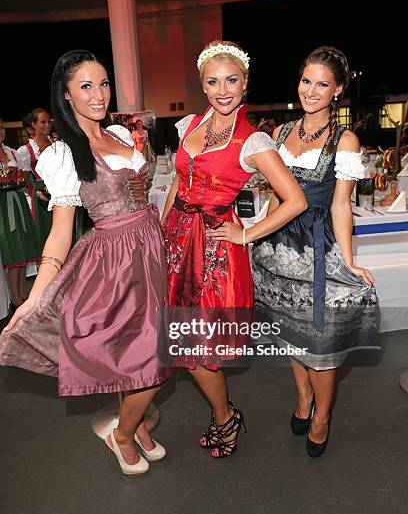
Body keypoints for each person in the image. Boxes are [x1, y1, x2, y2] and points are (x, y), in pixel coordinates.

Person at [0, 50, 170, 475]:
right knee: (150, 357)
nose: (98, 95)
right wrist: (33, 297)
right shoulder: (62, 153)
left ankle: (136, 424)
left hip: (152, 248)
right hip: (115, 261)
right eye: (86, 86)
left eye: (104, 84)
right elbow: (60, 233)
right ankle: (124, 433)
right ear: (67, 95)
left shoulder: (121, 133)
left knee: (150, 350)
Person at [161, 40, 307, 458]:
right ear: (202, 85)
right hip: (176, 241)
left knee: (199, 350)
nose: (223, 90)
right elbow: (176, 183)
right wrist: (159, 230)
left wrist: (248, 234)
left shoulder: (253, 142)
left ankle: (224, 417)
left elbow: (294, 200)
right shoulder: (188, 125)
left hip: (213, 249)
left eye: (231, 80)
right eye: (213, 82)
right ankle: (225, 414)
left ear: (245, 83)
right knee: (179, 339)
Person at [251, 46, 377, 458]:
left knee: (320, 345)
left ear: (337, 90)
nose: (311, 90)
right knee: (291, 334)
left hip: (318, 249)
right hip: (278, 250)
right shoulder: (282, 134)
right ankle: (302, 399)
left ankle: (322, 416)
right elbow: (275, 198)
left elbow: (342, 205)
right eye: (307, 81)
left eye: (322, 84)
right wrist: (256, 237)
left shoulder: (346, 139)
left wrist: (349, 258)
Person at [0, 117, 40, 306]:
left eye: (1, 128)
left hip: (17, 200)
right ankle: (14, 296)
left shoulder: (12, 152)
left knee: (22, 247)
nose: (0, 132)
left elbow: (24, 177)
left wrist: (20, 181)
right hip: (2, 204)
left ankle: (21, 292)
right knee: (12, 248)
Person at [17, 108, 53, 249]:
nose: (47, 125)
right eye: (42, 122)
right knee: (45, 234)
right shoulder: (26, 150)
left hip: (59, 191)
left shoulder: (57, 145)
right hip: (39, 195)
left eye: (49, 122)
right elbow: (25, 179)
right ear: (33, 125)